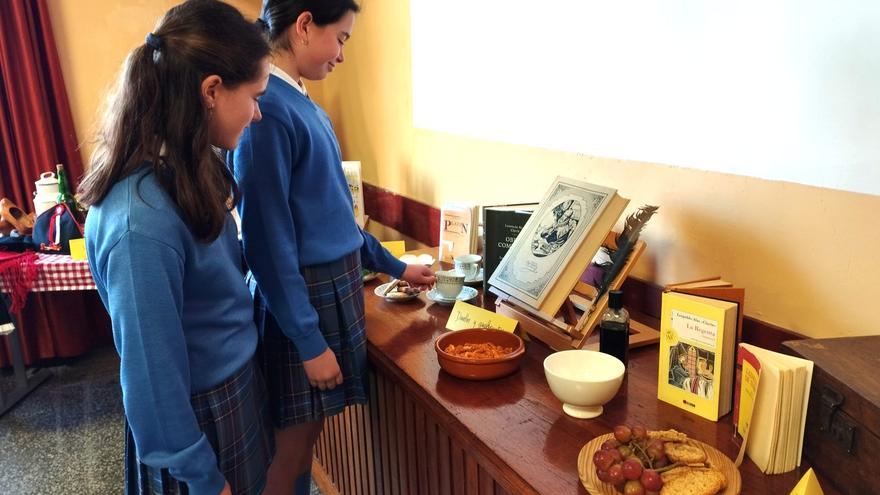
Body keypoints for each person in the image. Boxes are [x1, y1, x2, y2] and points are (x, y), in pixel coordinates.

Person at [228, 2, 435, 493]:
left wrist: (395, 266)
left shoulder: (301, 103)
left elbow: (334, 222)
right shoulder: (268, 111)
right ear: (303, 26)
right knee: (291, 450)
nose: (342, 54)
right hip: (305, 299)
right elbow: (267, 243)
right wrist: (308, 341)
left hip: (328, 291)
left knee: (306, 443)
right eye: (341, 37)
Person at [79, 1, 274, 493]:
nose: (257, 113)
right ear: (211, 91)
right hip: (196, 426)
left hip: (232, 390)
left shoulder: (184, 167)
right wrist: (202, 477)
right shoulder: (138, 223)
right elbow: (151, 379)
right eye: (253, 96)